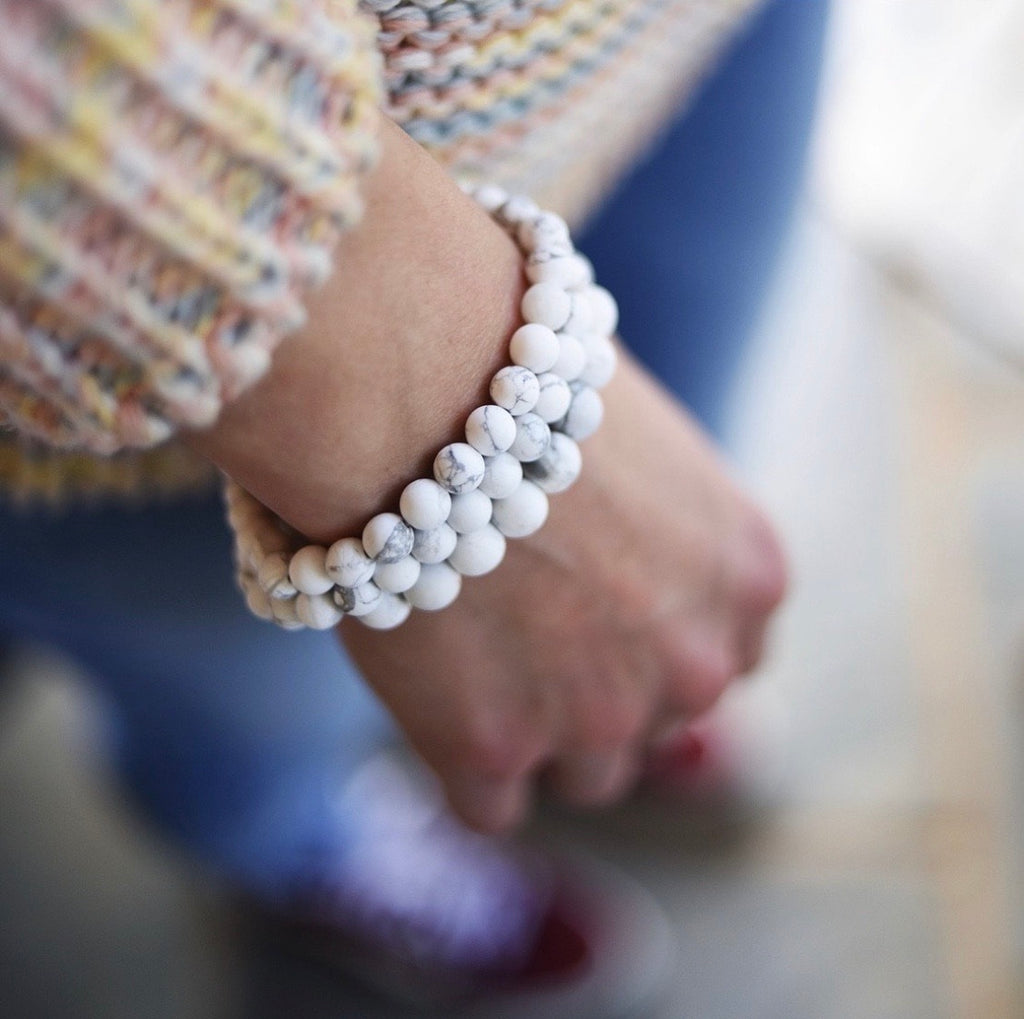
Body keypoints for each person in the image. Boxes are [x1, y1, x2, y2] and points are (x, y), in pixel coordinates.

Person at [0, 0, 827, 1013]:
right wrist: (392, 369)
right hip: (156, 316)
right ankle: (297, 840)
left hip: (680, 36)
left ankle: (611, 638)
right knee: (249, 702)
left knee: (685, 400)